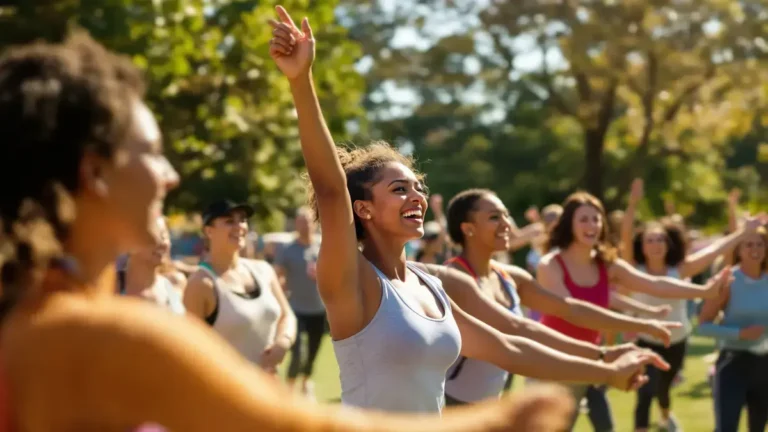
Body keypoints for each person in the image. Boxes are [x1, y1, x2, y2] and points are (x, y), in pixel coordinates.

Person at [0, 30, 578, 432]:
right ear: (94, 173)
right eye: (150, 153)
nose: (171, 176)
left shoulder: (46, 314)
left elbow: (506, 342)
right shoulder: (94, 333)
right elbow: (290, 425)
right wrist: (504, 419)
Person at [269, 5, 675, 415]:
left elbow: (510, 347)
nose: (417, 197)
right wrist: (301, 81)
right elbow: (331, 191)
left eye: (418, 187)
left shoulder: (430, 285)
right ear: (365, 209)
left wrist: (607, 368)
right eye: (398, 189)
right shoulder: (351, 280)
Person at [441, 188, 684, 406]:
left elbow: (571, 310)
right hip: (449, 406)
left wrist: (642, 327)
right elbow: (518, 329)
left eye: (506, 215)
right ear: (468, 229)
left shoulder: (511, 277)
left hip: (487, 406)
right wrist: (603, 362)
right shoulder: (455, 278)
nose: (507, 223)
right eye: (495, 217)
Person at [536, 191, 729, 431]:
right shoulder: (551, 265)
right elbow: (575, 312)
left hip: (592, 360)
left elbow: (654, 283)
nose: (592, 225)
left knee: (606, 427)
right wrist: (643, 324)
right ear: (569, 224)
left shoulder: (605, 263)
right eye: (583, 219)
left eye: (596, 219)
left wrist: (705, 292)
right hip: (554, 363)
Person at [620, 178, 761, 432]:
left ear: (668, 244)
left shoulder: (681, 269)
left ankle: (665, 415)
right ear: (642, 245)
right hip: (644, 339)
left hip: (676, 340)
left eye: (660, 240)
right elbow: (625, 237)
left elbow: (715, 251)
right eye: (650, 240)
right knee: (645, 392)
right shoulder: (634, 269)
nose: (655, 244)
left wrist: (743, 232)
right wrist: (632, 204)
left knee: (663, 389)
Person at [184, 200, 296, 373]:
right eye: (229, 221)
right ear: (209, 231)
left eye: (242, 219)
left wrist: (283, 342)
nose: (239, 226)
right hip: (225, 394)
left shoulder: (263, 270)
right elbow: (189, 351)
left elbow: (287, 315)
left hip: (270, 390)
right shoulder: (201, 283)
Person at [698, 226, 768, 432]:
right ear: (738, 249)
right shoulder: (727, 281)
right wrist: (739, 334)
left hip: (765, 367)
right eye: (749, 244)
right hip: (733, 363)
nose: (754, 249)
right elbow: (704, 326)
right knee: (726, 428)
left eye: (759, 244)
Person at [274, 207, 325, 396]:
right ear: (296, 224)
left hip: (319, 309)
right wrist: (279, 296)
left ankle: (306, 383)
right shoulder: (287, 249)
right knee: (297, 353)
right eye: (301, 221)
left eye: (308, 221)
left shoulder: (322, 246)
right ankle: (288, 391)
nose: (305, 225)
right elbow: (277, 276)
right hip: (295, 308)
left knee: (313, 351)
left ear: (315, 223)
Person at [117, 216, 186, 315]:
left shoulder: (175, 284)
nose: (163, 243)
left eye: (164, 236)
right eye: (154, 236)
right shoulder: (110, 287)